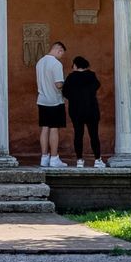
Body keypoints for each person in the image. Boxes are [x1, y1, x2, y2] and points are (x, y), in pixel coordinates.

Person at [63, 55, 105, 168]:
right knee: (94, 135)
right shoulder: (91, 75)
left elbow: (65, 92)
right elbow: (97, 86)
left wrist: (75, 97)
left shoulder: (71, 77)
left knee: (78, 134)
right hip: (91, 109)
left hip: (76, 110)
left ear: (76, 65)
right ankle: (97, 159)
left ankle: (79, 160)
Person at [35, 40, 68, 168]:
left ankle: (44, 157)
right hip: (54, 100)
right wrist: (67, 84)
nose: (61, 57)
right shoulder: (56, 64)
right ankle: (54, 158)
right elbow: (58, 84)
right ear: (59, 50)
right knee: (54, 128)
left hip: (42, 99)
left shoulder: (40, 62)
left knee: (44, 128)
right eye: (62, 54)